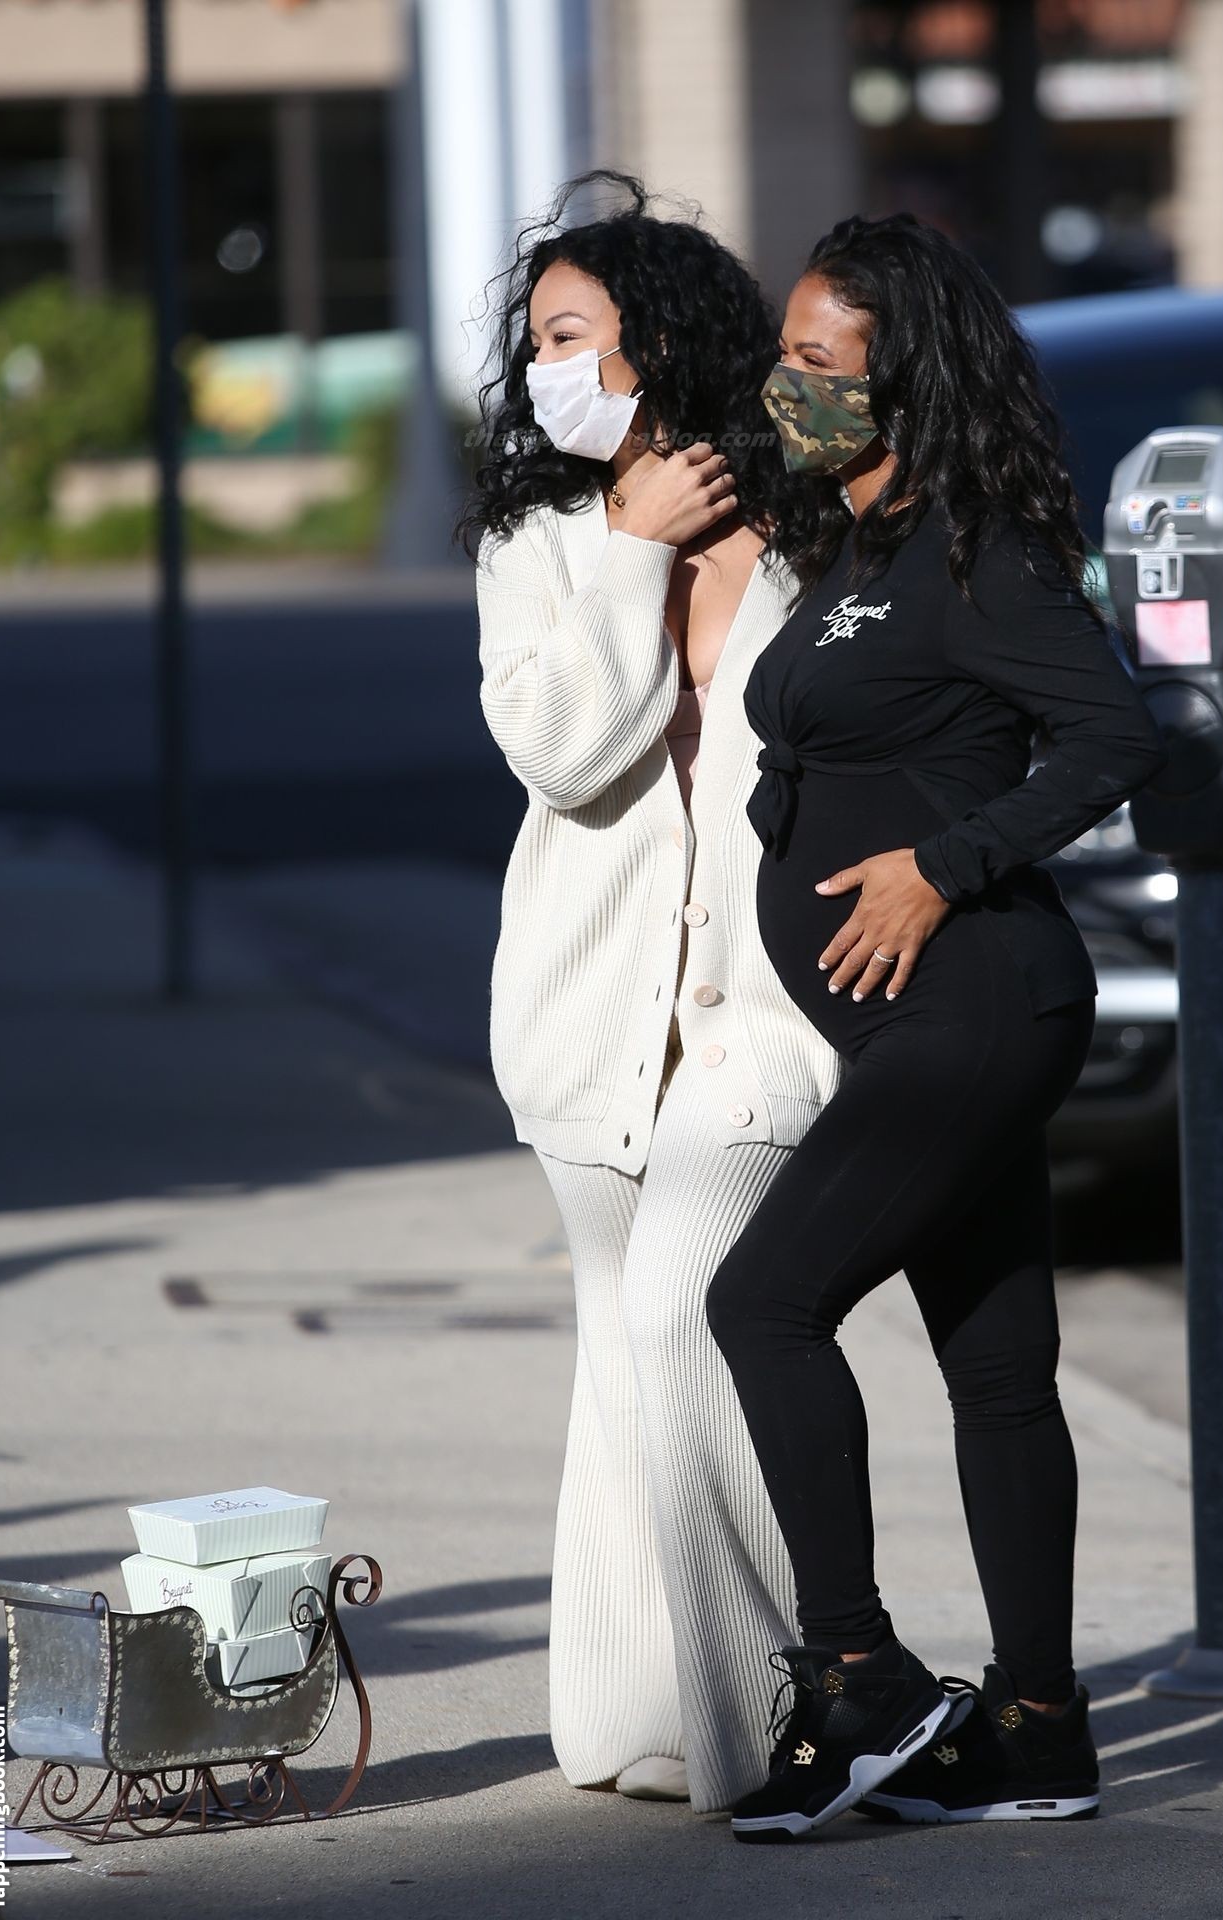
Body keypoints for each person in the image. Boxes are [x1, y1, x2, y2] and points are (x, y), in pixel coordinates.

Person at [702, 212, 1170, 1842]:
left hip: (977, 1003)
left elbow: (1113, 739)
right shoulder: (851, 541)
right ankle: (1039, 1728)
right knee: (999, 1367)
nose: (787, 385)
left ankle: (860, 1679)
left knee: (761, 1303)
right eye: (786, 355)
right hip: (920, 1025)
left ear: (904, 379)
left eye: (817, 363)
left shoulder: (979, 553)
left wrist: (940, 867)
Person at [463, 174, 842, 1814]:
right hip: (589, 1015)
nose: (543, 370)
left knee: (687, 1313)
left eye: (573, 337)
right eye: (536, 344)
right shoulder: (543, 544)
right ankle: (629, 1716)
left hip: (764, 1013)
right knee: (619, 1351)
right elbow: (564, 750)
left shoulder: (809, 521)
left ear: (665, 343)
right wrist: (630, 552)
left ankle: (769, 1717)